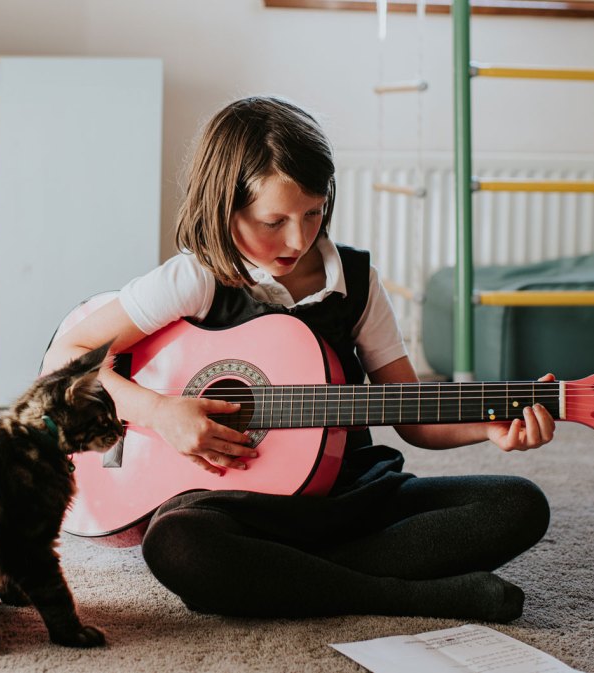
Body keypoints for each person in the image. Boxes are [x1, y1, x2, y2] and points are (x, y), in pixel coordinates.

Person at [42, 95, 555, 622]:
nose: (298, 237)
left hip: (349, 493)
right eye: (274, 220)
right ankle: (412, 596)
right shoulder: (195, 277)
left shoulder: (355, 282)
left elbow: (411, 416)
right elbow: (68, 357)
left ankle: (290, 577)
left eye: (313, 213)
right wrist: (157, 413)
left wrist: (487, 427)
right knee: (177, 543)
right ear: (225, 207)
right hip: (237, 508)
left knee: (518, 505)